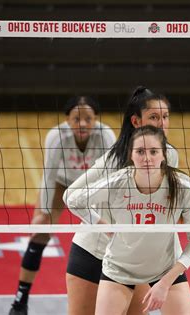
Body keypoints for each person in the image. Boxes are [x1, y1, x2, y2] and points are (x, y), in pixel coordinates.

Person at [64, 125, 190, 315]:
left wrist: (165, 283)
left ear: (164, 155)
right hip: (119, 269)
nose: (147, 158)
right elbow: (73, 200)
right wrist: (102, 226)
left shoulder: (182, 187)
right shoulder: (118, 182)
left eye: (154, 151)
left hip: (165, 268)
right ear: (131, 155)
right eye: (140, 151)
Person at [65, 86, 179, 315]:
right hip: (93, 253)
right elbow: (70, 196)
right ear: (136, 122)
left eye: (165, 116)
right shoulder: (114, 159)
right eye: (154, 117)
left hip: (132, 259)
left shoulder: (170, 155)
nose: (162, 123)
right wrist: (103, 227)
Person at [9, 96, 116, 315]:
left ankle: (110, 292)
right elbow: (48, 177)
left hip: (92, 184)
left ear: (96, 119)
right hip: (61, 183)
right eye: (77, 119)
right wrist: (44, 213)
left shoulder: (105, 135)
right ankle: (20, 300)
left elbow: (111, 175)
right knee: (39, 233)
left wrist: (110, 212)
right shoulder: (57, 137)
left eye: (88, 118)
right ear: (67, 119)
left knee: (109, 233)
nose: (83, 124)